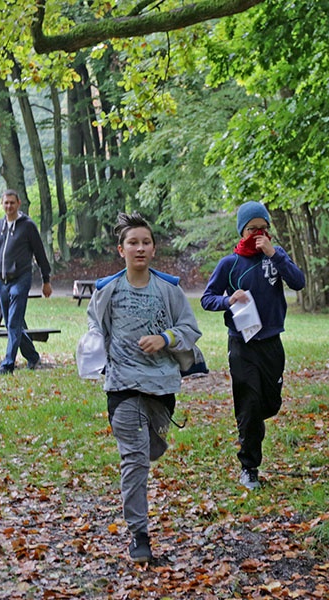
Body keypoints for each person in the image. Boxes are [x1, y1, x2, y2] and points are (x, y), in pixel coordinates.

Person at [84, 212, 202, 564]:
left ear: (153, 248)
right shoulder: (109, 290)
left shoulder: (169, 289)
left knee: (150, 450)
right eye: (133, 242)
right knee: (134, 458)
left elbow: (190, 329)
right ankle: (140, 536)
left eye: (145, 242)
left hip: (162, 387)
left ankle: (148, 446)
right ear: (121, 250)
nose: (140, 248)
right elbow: (94, 326)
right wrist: (92, 351)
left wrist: (165, 338)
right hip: (122, 386)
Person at [201, 201, 306, 490]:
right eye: (252, 229)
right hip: (242, 344)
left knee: (269, 403)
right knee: (248, 405)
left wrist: (276, 255)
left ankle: (253, 422)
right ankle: (249, 467)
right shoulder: (229, 264)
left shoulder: (276, 256)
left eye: (263, 228)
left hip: (272, 342)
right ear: (242, 231)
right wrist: (228, 300)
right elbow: (207, 298)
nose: (258, 234)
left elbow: (298, 282)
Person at [0, 189, 52, 374]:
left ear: (18, 203)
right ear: (2, 204)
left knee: (13, 323)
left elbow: (40, 254)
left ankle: (8, 365)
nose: (9, 206)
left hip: (21, 279)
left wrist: (46, 280)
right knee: (12, 322)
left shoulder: (27, 226)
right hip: (2, 281)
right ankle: (33, 357)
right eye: (6, 203)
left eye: (12, 202)